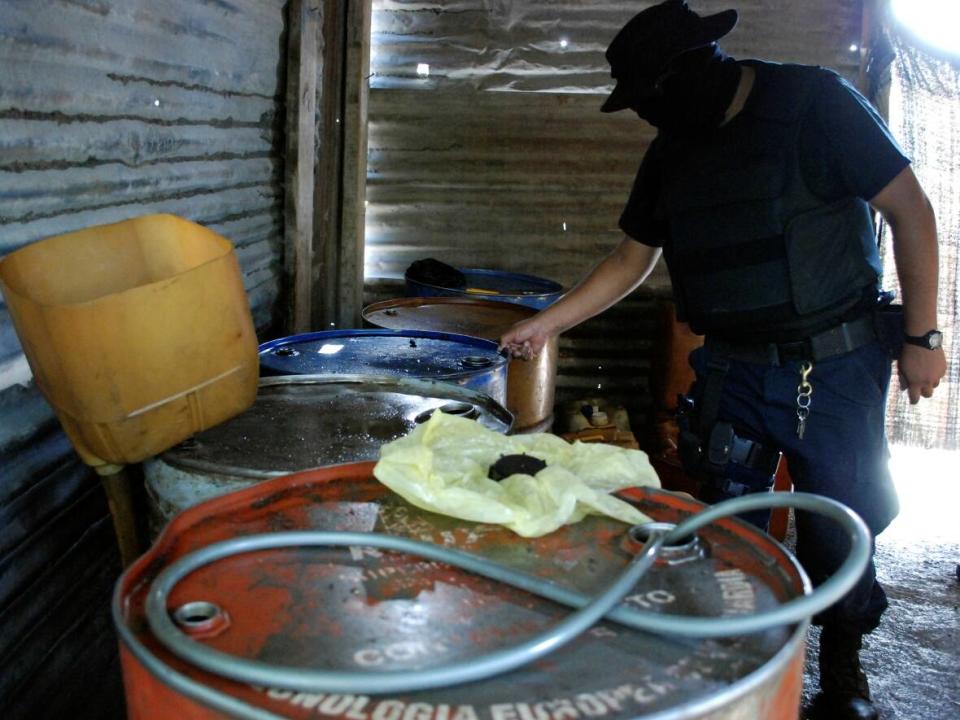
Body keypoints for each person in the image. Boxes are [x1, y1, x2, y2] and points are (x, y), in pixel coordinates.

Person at [499, 1, 947, 718]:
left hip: (831, 365)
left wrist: (924, 338)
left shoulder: (814, 105)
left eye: (650, 100)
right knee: (725, 526)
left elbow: (910, 208)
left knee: (839, 525)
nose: (648, 118)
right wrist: (546, 325)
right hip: (731, 370)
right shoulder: (674, 147)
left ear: (690, 72)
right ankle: (737, 662)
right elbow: (631, 258)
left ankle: (841, 664)